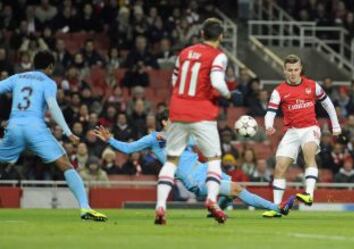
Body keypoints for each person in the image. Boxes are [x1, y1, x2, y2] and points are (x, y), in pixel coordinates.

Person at [93, 112, 296, 223]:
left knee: (232, 187)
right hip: (193, 179)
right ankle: (276, 208)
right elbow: (129, 148)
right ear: (164, 121)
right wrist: (110, 139)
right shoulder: (153, 139)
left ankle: (215, 210)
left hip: (204, 168)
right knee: (237, 189)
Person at [0, 51, 107, 222]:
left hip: (14, 126)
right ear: (50, 67)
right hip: (35, 128)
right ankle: (85, 208)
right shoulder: (48, 82)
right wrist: (68, 132)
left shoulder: (17, 77)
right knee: (65, 164)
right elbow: (53, 107)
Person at [156, 17, 240, 225]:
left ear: (201, 34)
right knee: (213, 159)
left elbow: (175, 81)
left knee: (171, 160)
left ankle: (160, 206)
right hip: (202, 112)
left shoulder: (184, 53)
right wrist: (229, 95)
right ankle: (212, 200)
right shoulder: (218, 56)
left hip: (177, 110)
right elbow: (217, 83)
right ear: (221, 36)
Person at [263, 54, 341, 217]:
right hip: (291, 132)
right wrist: (269, 125)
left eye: (296, 69)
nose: (293, 73)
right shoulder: (279, 91)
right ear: (284, 71)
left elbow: (328, 104)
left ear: (300, 70)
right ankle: (277, 208)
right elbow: (270, 112)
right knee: (279, 167)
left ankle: (309, 194)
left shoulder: (312, 86)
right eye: (289, 70)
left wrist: (335, 124)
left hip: (310, 128)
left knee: (308, 155)